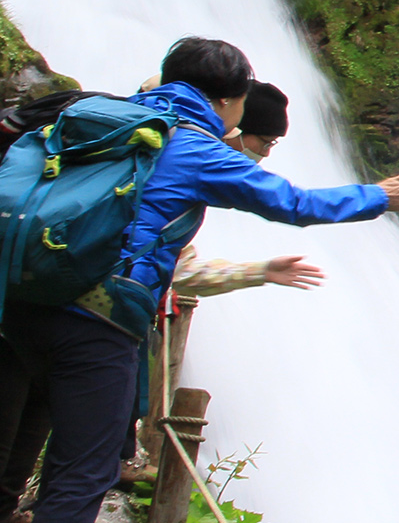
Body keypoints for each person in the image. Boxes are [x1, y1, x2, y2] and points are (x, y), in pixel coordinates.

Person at [0, 39, 399, 523]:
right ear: (228, 101)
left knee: (29, 442)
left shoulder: (99, 116)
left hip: (19, 298)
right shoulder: (196, 149)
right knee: (84, 472)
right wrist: (376, 196)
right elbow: (294, 203)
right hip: (95, 319)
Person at [0, 81, 324, 521]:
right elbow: (178, 264)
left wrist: (260, 271)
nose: (264, 154)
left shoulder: (121, 133)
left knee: (22, 447)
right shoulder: (176, 154)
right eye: (263, 141)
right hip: (83, 323)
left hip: (20, 295)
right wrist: (259, 271)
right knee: (71, 466)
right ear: (231, 123)